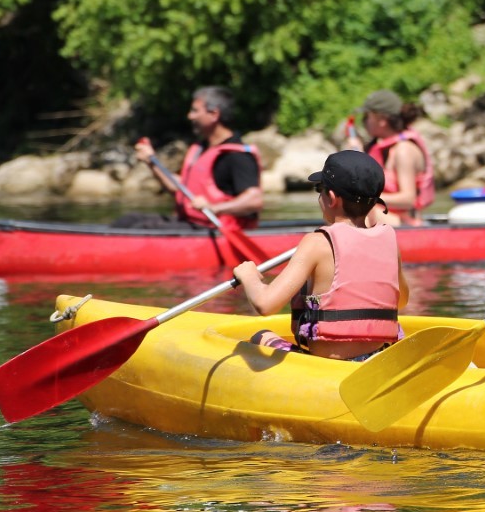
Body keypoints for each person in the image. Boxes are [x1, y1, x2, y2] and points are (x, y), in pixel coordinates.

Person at [233, 150, 410, 361]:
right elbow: (401, 301)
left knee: (261, 336)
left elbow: (266, 304)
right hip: (375, 358)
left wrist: (249, 276)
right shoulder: (388, 240)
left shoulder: (317, 243)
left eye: (320, 189)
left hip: (327, 365)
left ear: (332, 198)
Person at [113, 86, 263, 230]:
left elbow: (254, 200)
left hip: (215, 228)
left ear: (214, 114)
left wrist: (214, 208)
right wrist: (151, 161)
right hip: (191, 223)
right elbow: (180, 188)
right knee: (128, 220)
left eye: (195, 111)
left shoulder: (236, 155)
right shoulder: (201, 148)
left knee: (142, 228)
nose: (190, 116)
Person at [344, 89, 435, 226]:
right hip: (387, 218)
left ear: (381, 120)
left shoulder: (404, 150)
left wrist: (362, 199)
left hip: (405, 224)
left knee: (352, 207)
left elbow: (408, 199)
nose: (364, 122)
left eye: (367, 117)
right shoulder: (384, 148)